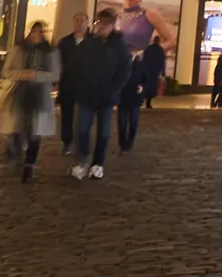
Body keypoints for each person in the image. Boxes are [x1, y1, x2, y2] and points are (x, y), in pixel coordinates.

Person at [65, 10, 130, 181]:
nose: (101, 26)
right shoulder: (88, 44)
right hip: (86, 95)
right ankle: (81, 162)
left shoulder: (119, 47)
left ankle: (98, 164)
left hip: (106, 97)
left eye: (105, 23)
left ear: (112, 25)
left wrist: (112, 89)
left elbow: (124, 71)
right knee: (82, 130)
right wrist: (78, 86)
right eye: (99, 22)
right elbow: (74, 66)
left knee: (103, 132)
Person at [0, 21, 60, 182]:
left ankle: (29, 164)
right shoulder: (19, 50)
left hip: (40, 96)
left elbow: (55, 74)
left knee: (35, 132)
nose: (37, 35)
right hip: (20, 94)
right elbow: (6, 71)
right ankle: (16, 153)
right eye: (34, 32)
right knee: (17, 128)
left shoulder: (50, 52)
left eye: (40, 32)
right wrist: (21, 74)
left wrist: (37, 75)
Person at [111, 0, 177, 78]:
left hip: (136, 69)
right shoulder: (115, 15)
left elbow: (171, 42)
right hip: (114, 69)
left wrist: (146, 53)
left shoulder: (150, 14)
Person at [116, 35, 163, 153]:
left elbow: (145, 78)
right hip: (123, 96)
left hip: (135, 97)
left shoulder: (140, 64)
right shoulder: (120, 63)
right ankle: (123, 145)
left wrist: (142, 86)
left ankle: (129, 143)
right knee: (122, 123)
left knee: (133, 122)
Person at [55, 13, 87, 154]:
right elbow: (58, 62)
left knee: (84, 115)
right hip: (68, 84)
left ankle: (82, 142)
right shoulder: (65, 42)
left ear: (87, 22)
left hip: (86, 85)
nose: (79, 23)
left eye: (82, 20)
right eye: (77, 21)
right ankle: (67, 141)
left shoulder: (92, 41)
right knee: (66, 115)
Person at [141, 37, 167, 110]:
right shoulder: (160, 50)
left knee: (145, 85)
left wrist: (142, 69)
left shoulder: (148, 49)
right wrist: (163, 72)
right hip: (155, 71)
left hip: (148, 70)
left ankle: (143, 99)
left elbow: (144, 60)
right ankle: (148, 102)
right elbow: (162, 62)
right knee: (152, 87)